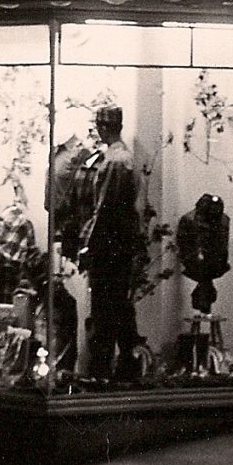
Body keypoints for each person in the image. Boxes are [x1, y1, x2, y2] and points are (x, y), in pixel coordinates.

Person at [80, 106, 145, 384]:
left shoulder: (115, 162)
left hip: (110, 246)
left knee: (105, 311)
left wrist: (88, 245)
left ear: (103, 127)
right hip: (120, 244)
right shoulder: (122, 157)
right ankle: (125, 369)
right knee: (119, 309)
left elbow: (104, 209)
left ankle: (101, 373)